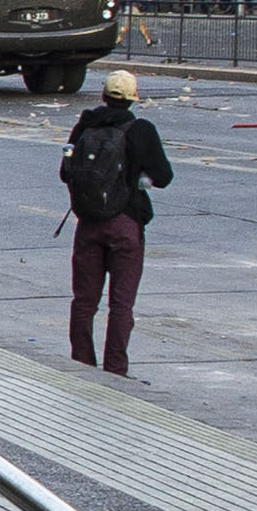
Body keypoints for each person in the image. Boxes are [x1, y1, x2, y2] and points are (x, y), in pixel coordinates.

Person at [60, 68, 171, 377]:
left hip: (88, 224)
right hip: (126, 224)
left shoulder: (84, 125)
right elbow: (164, 177)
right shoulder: (141, 130)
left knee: (84, 301)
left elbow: (65, 172)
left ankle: (82, 364)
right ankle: (115, 370)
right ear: (134, 99)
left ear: (103, 96)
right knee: (121, 304)